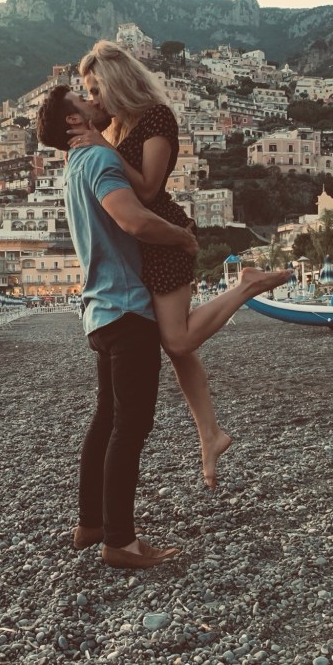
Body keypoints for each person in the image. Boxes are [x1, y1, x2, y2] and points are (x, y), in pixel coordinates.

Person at [69, 40, 291, 489]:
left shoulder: (157, 118)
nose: (93, 100)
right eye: (87, 92)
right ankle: (209, 434)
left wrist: (104, 147)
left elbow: (149, 190)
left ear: (116, 82)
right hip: (143, 247)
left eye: (95, 90)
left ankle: (245, 286)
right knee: (177, 349)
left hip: (165, 238)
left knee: (178, 339)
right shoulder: (120, 129)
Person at [37, 84, 198, 569]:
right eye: (85, 100)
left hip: (99, 312)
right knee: (131, 425)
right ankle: (121, 542)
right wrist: (182, 237)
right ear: (73, 121)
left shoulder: (73, 165)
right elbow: (133, 221)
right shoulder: (100, 160)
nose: (97, 102)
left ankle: (91, 524)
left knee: (107, 418)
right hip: (127, 308)